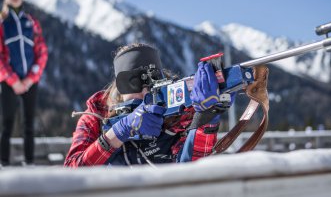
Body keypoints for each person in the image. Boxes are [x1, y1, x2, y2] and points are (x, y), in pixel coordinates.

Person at [64, 43, 232, 167]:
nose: (145, 94)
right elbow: (72, 171)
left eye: (152, 85)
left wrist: (206, 117)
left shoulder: (177, 110)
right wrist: (120, 131)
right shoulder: (96, 115)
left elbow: (191, 167)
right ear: (119, 88)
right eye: (135, 84)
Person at [0, 0, 48, 166]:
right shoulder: (2, 22)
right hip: (8, 81)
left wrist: (30, 78)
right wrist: (13, 80)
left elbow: (42, 50)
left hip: (30, 80)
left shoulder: (31, 22)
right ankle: (3, 163)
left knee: (29, 124)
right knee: (7, 123)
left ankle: (30, 162)